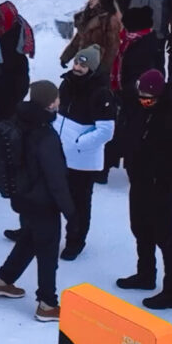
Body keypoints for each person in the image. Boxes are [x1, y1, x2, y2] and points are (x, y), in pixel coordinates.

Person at [0, 82, 75, 322]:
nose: (59, 102)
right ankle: (47, 304)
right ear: (49, 103)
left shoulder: (19, 121)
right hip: (42, 202)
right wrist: (71, 214)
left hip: (22, 197)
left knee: (29, 238)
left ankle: (2, 280)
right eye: (56, 98)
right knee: (47, 251)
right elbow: (56, 179)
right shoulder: (45, 135)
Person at [118, 71, 172, 309]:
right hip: (140, 181)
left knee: (166, 237)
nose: (144, 101)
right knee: (140, 228)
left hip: (161, 185)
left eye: (149, 99)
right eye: (141, 97)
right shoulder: (138, 108)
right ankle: (145, 274)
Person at [54, 49, 117, 259]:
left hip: (82, 161)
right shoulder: (67, 83)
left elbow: (106, 131)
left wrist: (78, 144)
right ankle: (33, 231)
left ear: (92, 67)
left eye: (83, 65)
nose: (77, 68)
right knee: (45, 195)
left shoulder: (101, 93)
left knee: (79, 204)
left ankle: (75, 241)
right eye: (76, 64)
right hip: (59, 154)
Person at [60, 0, 123, 82]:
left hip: (97, 68)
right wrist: (66, 56)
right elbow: (79, 38)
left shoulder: (110, 20)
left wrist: (103, 69)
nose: (90, 0)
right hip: (82, 64)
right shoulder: (87, 15)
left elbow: (112, 48)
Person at [0, 0, 35, 126]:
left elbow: (2, 73)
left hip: (10, 93)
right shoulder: (15, 26)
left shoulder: (8, 40)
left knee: (6, 128)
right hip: (11, 90)